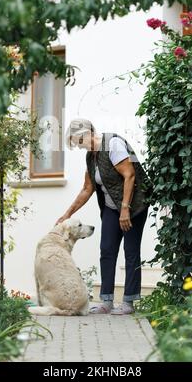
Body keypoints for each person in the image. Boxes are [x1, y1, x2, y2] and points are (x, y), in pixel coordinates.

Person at [56, 118, 151, 315]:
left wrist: (125, 209)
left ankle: (128, 303)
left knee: (131, 250)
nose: (81, 146)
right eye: (77, 144)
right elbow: (87, 188)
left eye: (80, 141)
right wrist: (67, 214)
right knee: (107, 249)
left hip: (135, 205)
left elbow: (130, 175)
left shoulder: (113, 144)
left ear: (89, 132)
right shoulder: (91, 157)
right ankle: (107, 301)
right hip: (111, 206)